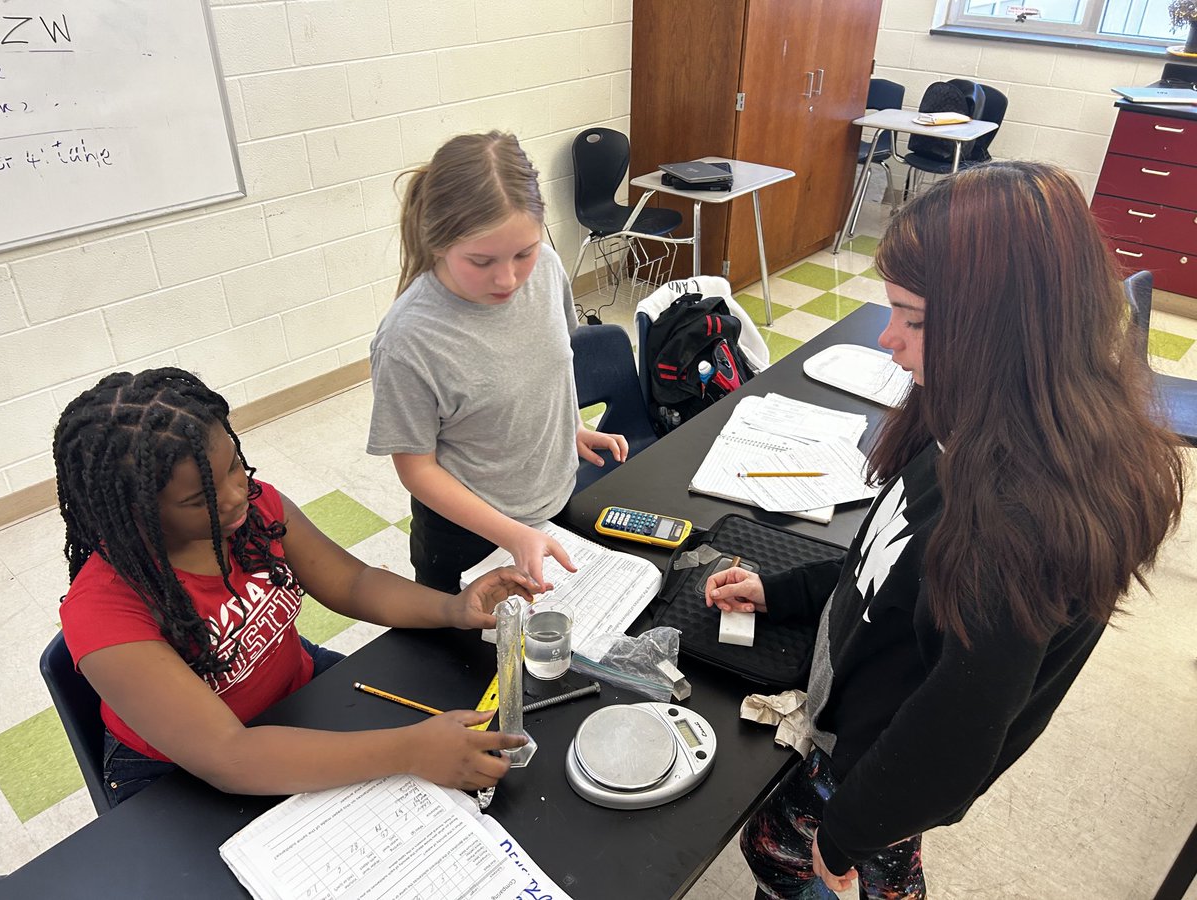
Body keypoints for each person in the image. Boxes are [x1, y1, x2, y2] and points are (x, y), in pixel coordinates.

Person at [704, 161, 1187, 899]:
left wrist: (849, 832)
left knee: (794, 855)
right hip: (862, 718)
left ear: (1004, 329)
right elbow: (884, 565)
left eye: (915, 319)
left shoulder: (1018, 524)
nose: (888, 339)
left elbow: (958, 729)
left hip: (881, 758)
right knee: (784, 846)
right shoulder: (963, 415)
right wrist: (782, 589)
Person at [54, 367, 535, 809]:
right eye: (202, 496)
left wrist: (454, 606)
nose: (237, 493)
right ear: (134, 513)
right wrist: (409, 750)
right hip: (179, 772)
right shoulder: (104, 612)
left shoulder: (251, 513)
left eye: (234, 466)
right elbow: (230, 756)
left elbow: (354, 581)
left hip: (294, 695)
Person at [367, 131, 628, 594]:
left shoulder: (546, 267)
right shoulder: (408, 339)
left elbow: (545, 368)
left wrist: (569, 430)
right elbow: (416, 469)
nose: (508, 278)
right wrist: (511, 534)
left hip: (553, 498)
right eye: (481, 260)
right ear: (438, 242)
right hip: (467, 533)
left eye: (522, 253)